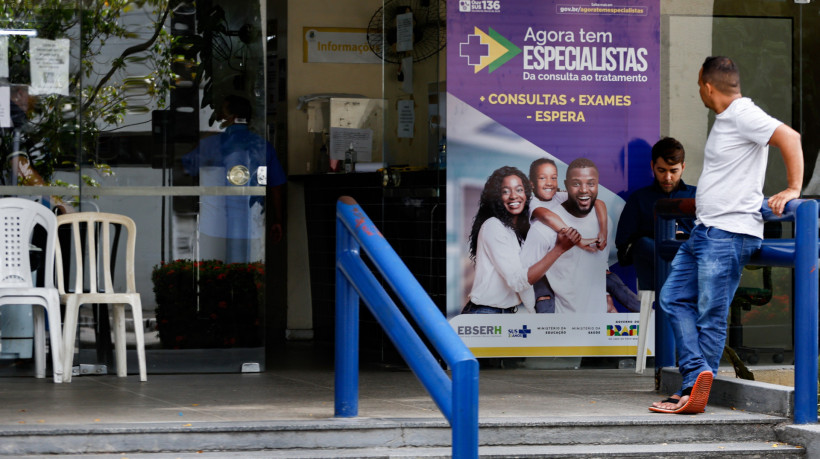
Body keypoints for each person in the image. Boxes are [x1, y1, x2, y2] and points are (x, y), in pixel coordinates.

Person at [650, 56, 803, 414]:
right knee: (672, 298)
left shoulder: (743, 114)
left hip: (728, 234)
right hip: (705, 231)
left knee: (710, 314)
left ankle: (693, 390)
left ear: (707, 86)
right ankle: (697, 374)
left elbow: (790, 137)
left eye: (698, 86)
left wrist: (793, 188)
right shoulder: (728, 119)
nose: (698, 92)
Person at [182, 95, 286, 263]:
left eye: (222, 114)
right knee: (248, 271)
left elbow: (187, 167)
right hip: (253, 223)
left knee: (214, 271)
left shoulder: (212, 143)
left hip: (213, 225)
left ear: (232, 118)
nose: (218, 117)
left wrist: (205, 137)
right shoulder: (262, 146)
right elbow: (276, 186)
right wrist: (278, 220)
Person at [462, 166, 579, 314]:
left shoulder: (518, 232)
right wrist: (558, 249)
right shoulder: (494, 226)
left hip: (505, 313)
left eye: (519, 190)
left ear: (526, 193)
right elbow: (517, 281)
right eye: (505, 191)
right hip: (485, 313)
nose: (513, 196)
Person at [526, 158, 639, 313]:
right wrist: (578, 240)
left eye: (553, 177)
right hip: (559, 308)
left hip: (594, 317)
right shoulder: (538, 216)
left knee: (614, 282)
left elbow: (598, 202)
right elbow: (546, 215)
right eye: (542, 178)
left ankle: (650, 314)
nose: (584, 189)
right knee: (544, 299)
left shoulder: (562, 197)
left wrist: (603, 231)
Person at [615, 137, 697, 291]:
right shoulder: (639, 199)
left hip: (690, 269)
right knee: (643, 244)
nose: (667, 177)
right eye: (661, 170)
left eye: (674, 171)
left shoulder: (697, 197)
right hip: (654, 275)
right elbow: (624, 248)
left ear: (683, 167)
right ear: (652, 166)